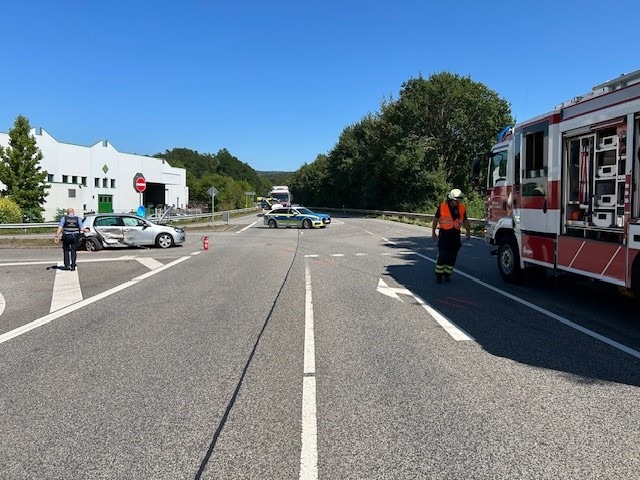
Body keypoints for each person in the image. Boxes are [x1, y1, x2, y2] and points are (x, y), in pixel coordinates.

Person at [431, 188, 471, 283]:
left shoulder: (461, 208)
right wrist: (433, 232)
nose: (457, 202)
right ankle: (439, 276)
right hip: (444, 235)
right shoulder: (442, 207)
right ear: (451, 199)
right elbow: (436, 220)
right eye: (455, 200)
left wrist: (468, 231)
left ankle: (447, 274)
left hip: (455, 235)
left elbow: (465, 221)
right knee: (443, 255)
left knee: (452, 256)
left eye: (459, 200)